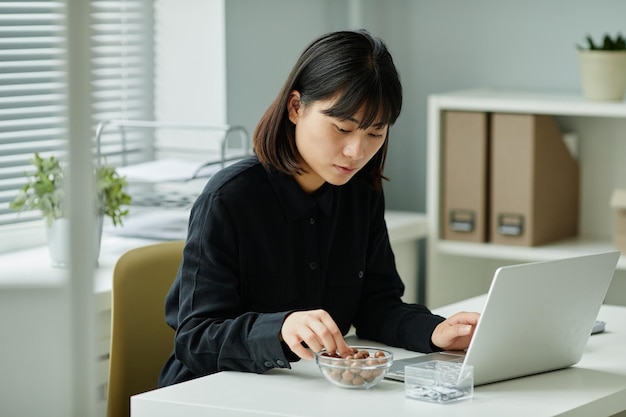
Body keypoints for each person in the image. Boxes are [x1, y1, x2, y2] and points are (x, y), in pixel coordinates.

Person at [158, 29, 479, 387]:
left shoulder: (361, 191)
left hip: (306, 389)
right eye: (342, 128)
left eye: (375, 133)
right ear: (296, 108)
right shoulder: (229, 199)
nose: (356, 152)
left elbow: (377, 306)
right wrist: (280, 329)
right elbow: (195, 339)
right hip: (211, 391)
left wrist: (437, 331)